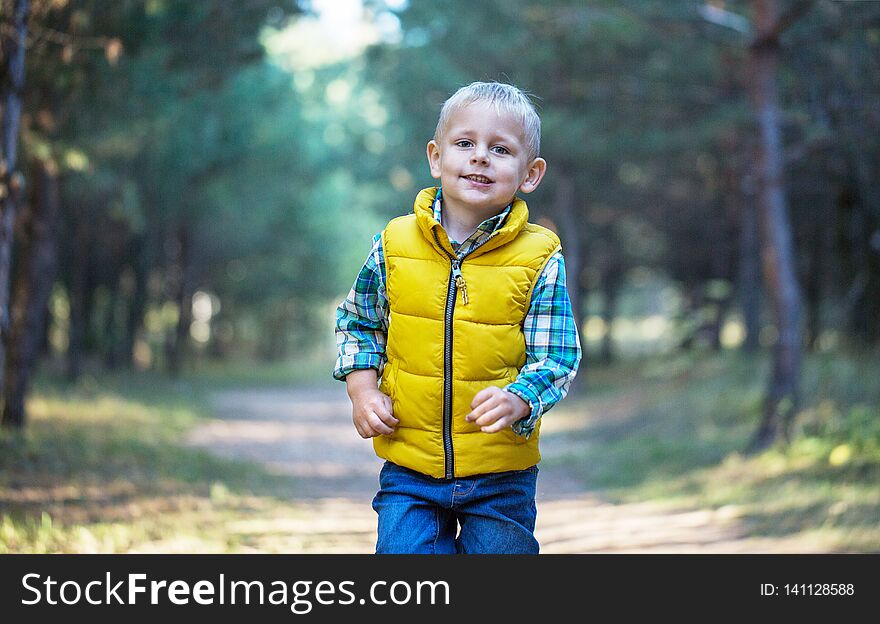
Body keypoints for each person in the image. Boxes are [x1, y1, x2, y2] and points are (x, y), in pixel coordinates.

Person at [333, 81, 581, 554]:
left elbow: (558, 355)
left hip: (500, 472)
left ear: (530, 173)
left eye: (500, 149)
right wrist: (362, 390)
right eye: (465, 143)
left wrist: (520, 399)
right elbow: (358, 322)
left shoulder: (538, 256)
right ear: (435, 157)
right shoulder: (394, 244)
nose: (480, 157)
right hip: (409, 467)